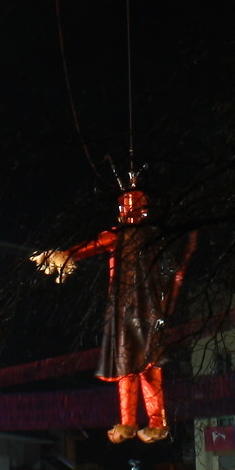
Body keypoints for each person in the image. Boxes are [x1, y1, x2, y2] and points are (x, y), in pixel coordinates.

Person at [31, 180, 195, 442]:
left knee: (133, 366)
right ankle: (146, 421)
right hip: (141, 309)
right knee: (139, 366)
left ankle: (139, 422)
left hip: (133, 309)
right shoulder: (153, 236)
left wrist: (64, 255)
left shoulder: (127, 235)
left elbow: (87, 248)